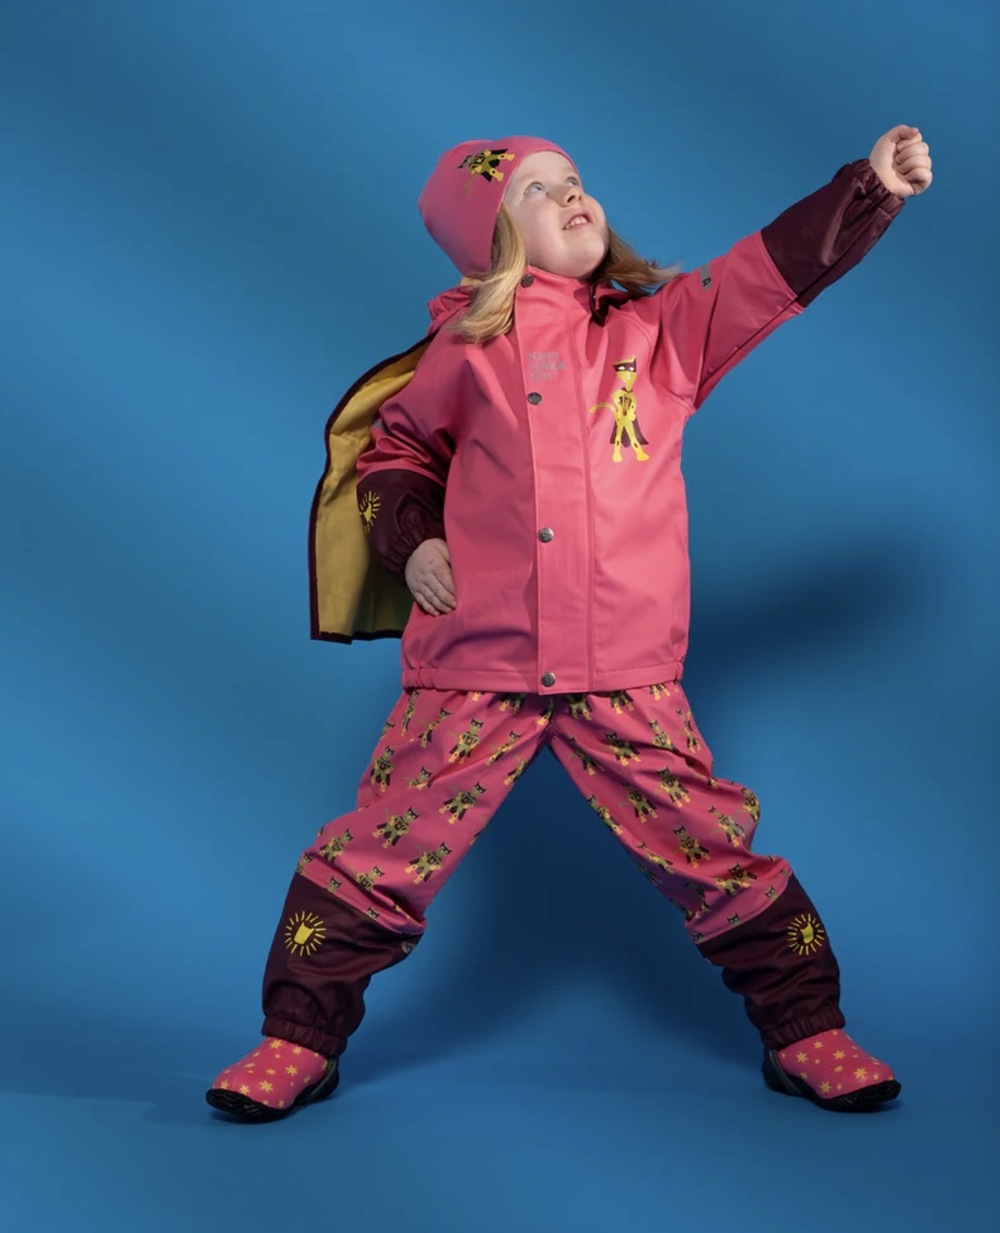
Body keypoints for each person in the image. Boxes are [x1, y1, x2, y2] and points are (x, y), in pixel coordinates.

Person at [206, 127, 933, 1121]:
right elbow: (392, 459)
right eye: (539, 192)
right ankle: (295, 1037)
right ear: (494, 242)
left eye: (576, 180)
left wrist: (866, 188)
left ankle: (808, 1026)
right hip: (475, 662)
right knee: (374, 854)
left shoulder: (659, 336)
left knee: (715, 852)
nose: (573, 197)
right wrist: (412, 545)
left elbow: (762, 272)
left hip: (624, 668)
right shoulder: (461, 352)